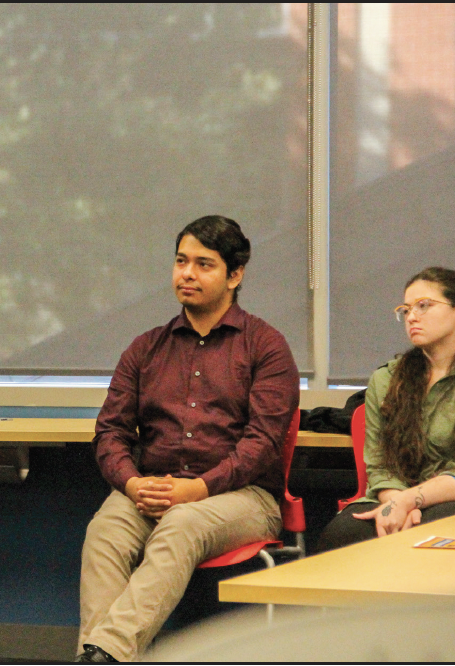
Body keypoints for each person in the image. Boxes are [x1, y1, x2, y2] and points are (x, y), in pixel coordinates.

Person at [77, 216, 300, 663]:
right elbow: (111, 433)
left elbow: (262, 444)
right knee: (104, 531)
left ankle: (105, 655)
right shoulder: (146, 348)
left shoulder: (266, 347)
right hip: (153, 487)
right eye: (181, 261)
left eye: (204, 264)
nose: (187, 274)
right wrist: (132, 484)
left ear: (235, 275)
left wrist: (196, 489)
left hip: (242, 496)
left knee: (183, 523)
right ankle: (101, 655)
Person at [317, 267, 455, 552]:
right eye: (406, 309)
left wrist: (411, 501)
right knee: (343, 533)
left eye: (424, 305)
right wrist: (397, 502)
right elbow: (379, 466)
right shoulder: (387, 379)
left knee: (438, 525)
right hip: (395, 496)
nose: (412, 316)